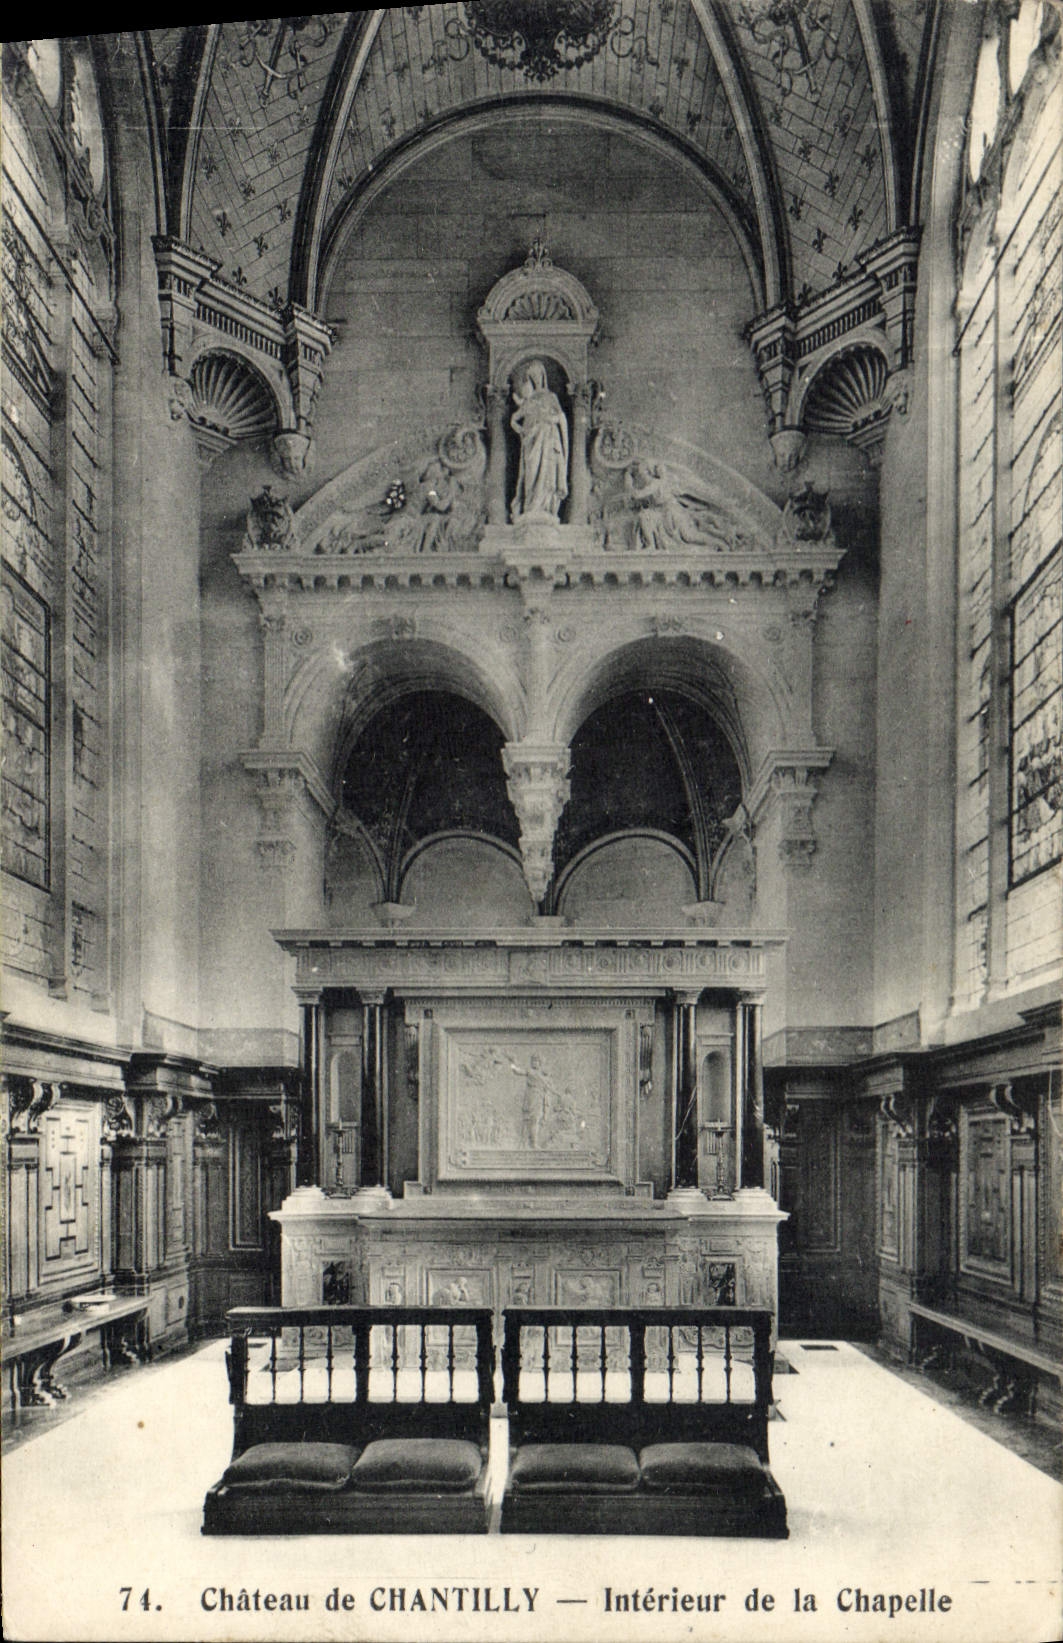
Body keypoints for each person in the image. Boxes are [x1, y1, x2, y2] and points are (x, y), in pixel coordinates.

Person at [510, 360, 569, 521]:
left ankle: (545, 507)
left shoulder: (551, 397)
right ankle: (530, 506)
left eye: (537, 374)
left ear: (543, 376)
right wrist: (521, 430)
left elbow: (561, 418)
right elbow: (514, 419)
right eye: (532, 376)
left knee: (547, 472)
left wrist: (550, 419)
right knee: (531, 470)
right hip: (531, 440)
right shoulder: (527, 401)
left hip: (548, 439)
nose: (535, 378)